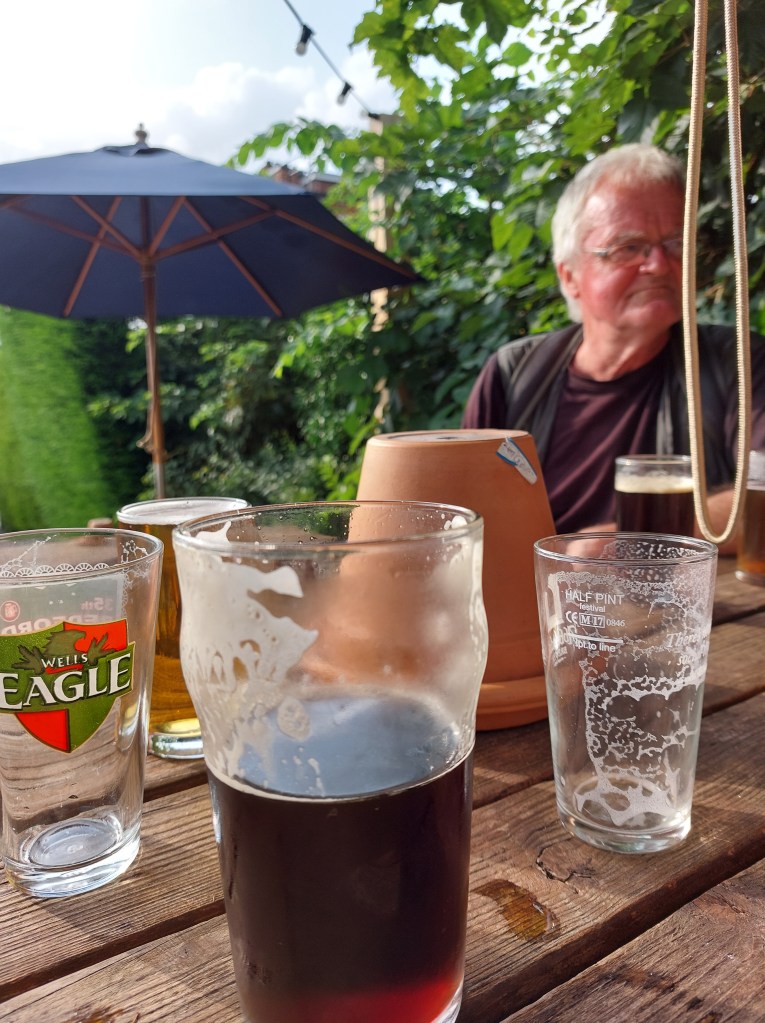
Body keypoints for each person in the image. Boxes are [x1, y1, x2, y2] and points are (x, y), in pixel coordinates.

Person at [462, 143, 765, 552]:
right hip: (532, 593)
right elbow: (457, 517)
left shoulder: (736, 363)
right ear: (570, 276)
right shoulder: (512, 376)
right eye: (628, 247)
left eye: (676, 243)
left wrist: (623, 545)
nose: (659, 264)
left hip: (681, 596)